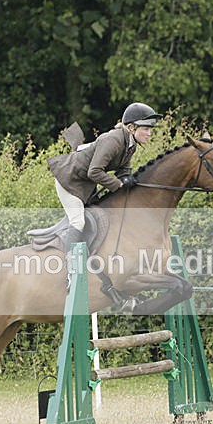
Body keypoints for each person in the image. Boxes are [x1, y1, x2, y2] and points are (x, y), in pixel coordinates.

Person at [48, 102, 162, 288]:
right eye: (146, 129)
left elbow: (123, 170)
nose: (150, 133)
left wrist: (129, 180)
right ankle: (70, 270)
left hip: (86, 183)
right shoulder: (113, 140)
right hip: (69, 180)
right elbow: (94, 171)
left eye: (151, 129)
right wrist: (118, 185)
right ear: (131, 127)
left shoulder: (130, 144)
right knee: (78, 221)